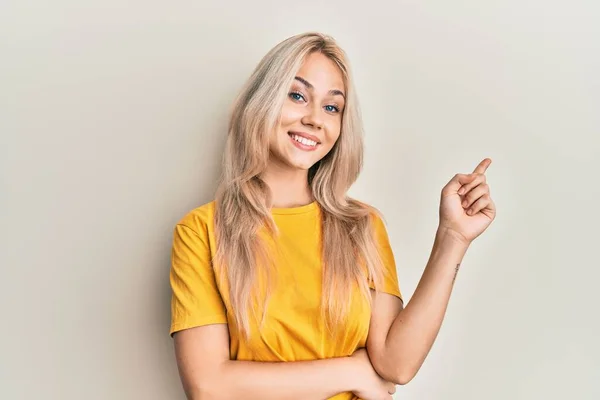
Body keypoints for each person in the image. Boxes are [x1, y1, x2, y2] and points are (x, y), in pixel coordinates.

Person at [169, 32, 496, 400]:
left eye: (331, 107)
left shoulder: (363, 227)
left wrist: (453, 238)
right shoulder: (202, 230)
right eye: (297, 95)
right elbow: (208, 386)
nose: (314, 119)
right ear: (260, 102)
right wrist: (351, 370)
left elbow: (395, 365)